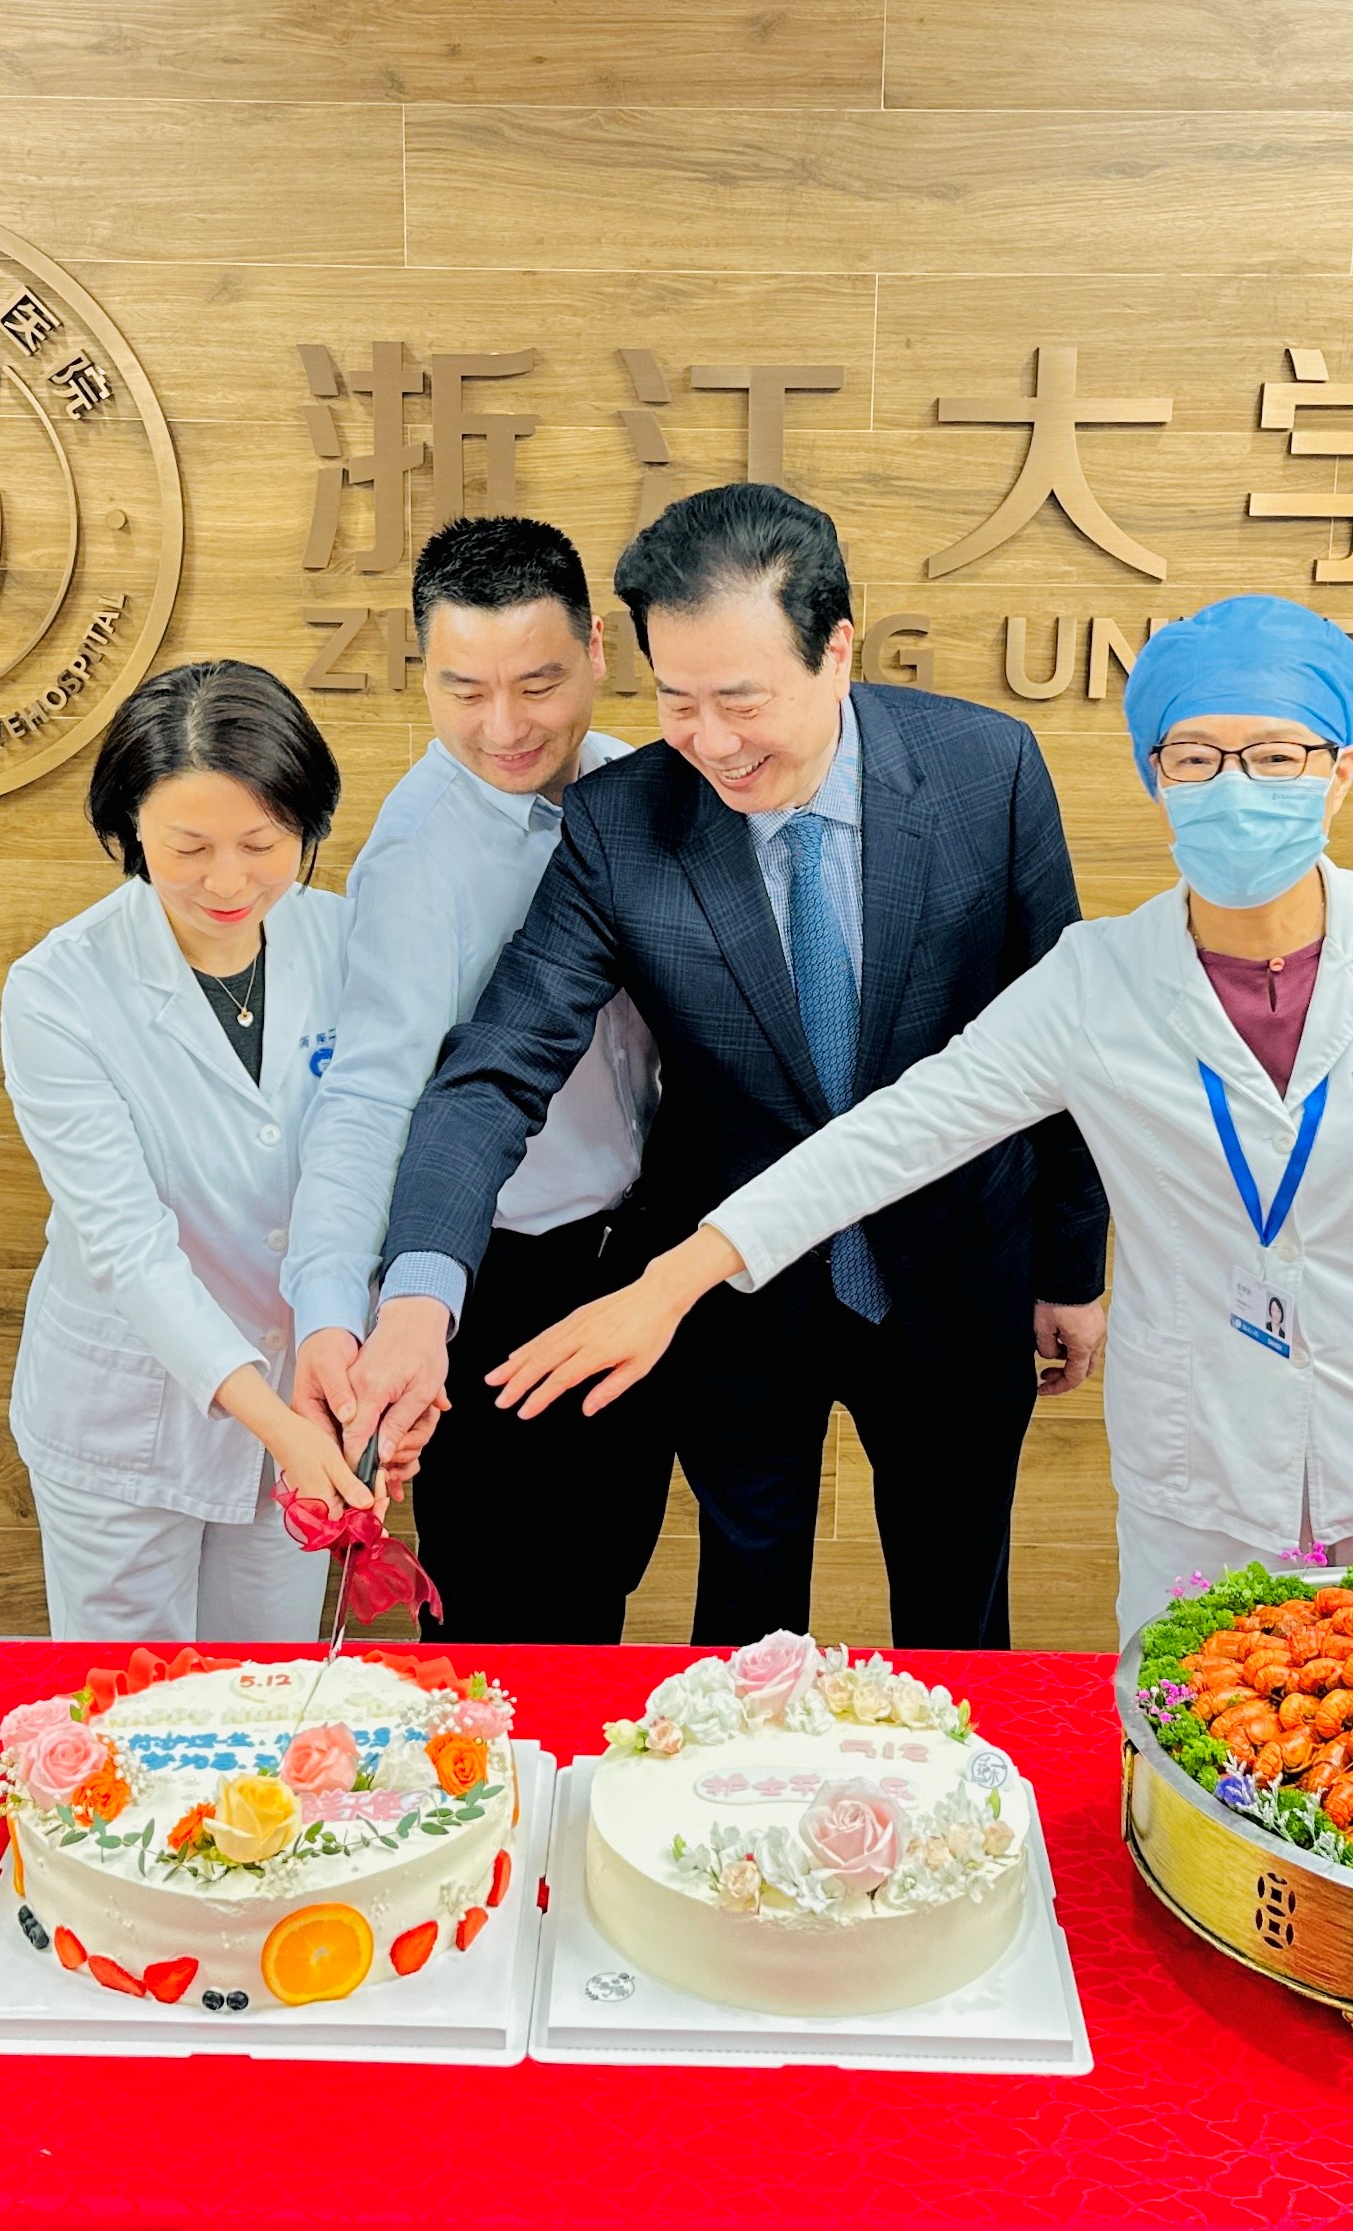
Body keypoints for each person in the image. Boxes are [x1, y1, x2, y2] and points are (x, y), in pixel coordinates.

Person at [487, 594, 1353, 1649]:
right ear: (1156, 775)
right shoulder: (1098, 980)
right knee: (1188, 1742)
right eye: (1196, 756)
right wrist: (674, 1277)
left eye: (1277, 756)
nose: (1235, 786)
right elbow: (894, 1133)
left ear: (1341, 772)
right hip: (1204, 1456)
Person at [346, 482, 1109, 1650]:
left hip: (956, 1267)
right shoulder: (623, 821)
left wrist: (1070, 1264)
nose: (709, 741)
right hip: (732, 1295)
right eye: (677, 700)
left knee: (957, 1601)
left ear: (835, 648)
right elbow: (496, 1065)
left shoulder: (984, 770)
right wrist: (415, 1291)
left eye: (742, 700)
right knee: (745, 1617)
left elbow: (1063, 1036)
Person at [284, 517, 668, 1644]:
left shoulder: (631, 785)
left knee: (603, 1582)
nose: (504, 728)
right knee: (500, 1620)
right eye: (464, 691)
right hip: (499, 1277)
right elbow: (367, 1097)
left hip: (635, 1258)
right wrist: (331, 1308)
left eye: (538, 684)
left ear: (596, 649)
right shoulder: (421, 858)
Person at [0, 661, 408, 1642]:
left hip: (302, 1395)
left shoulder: (348, 940)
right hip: (128, 1417)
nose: (228, 881)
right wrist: (280, 1424)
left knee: (263, 1688)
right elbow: (126, 1244)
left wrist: (360, 1375)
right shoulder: (58, 989)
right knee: (127, 1701)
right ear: (130, 827)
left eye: (262, 844)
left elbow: (373, 1160)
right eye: (188, 847)